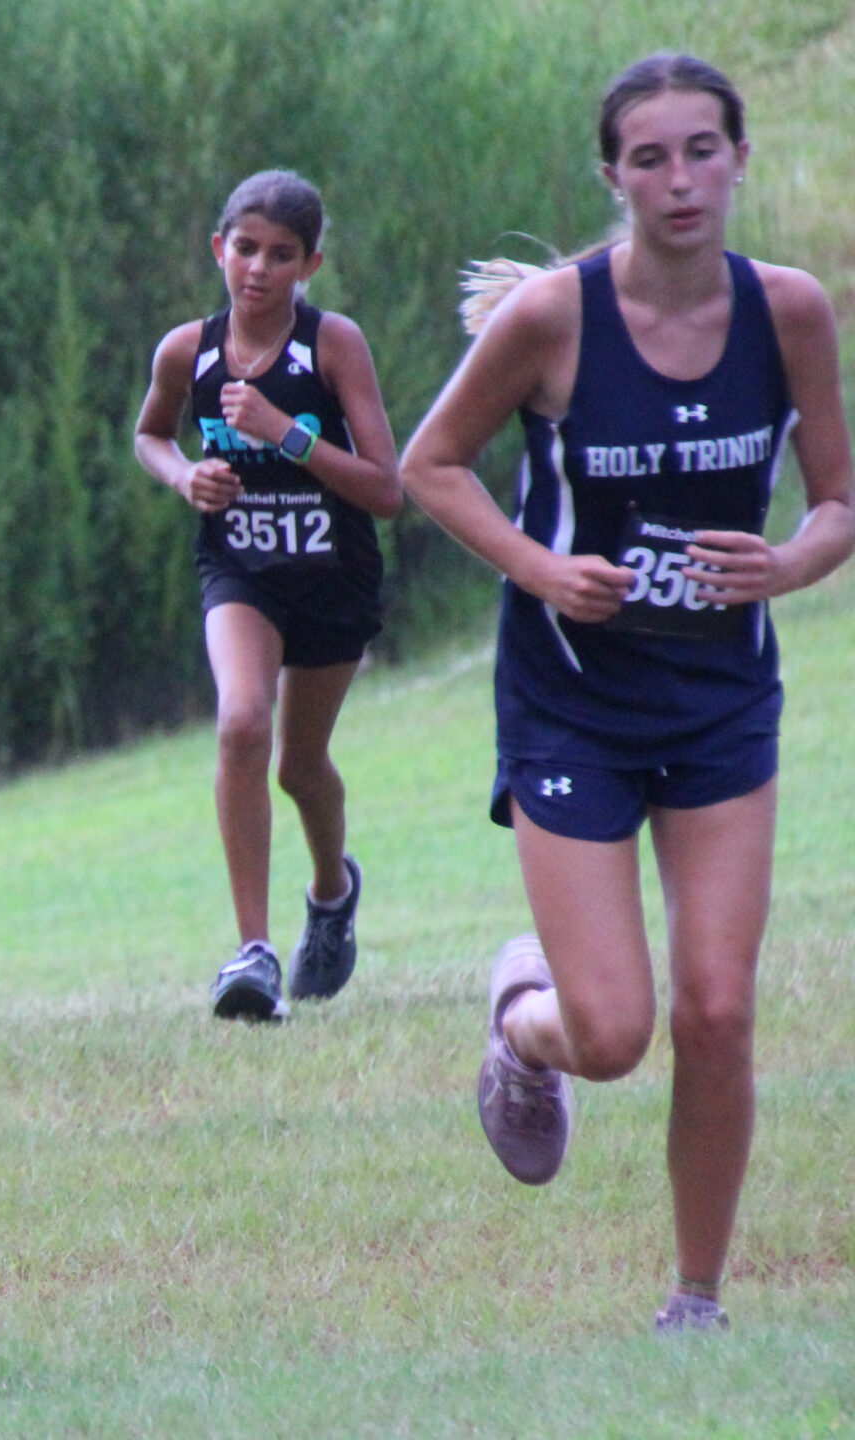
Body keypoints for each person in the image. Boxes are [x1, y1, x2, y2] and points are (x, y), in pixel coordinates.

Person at [399, 54, 853, 1332]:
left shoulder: (790, 311)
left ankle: (695, 1304)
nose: (680, 180)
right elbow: (431, 466)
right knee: (610, 1035)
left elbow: (836, 503)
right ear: (613, 176)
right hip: (572, 706)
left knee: (718, 1010)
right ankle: (521, 1023)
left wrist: (786, 563)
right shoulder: (554, 318)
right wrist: (543, 570)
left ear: (739, 159)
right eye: (649, 158)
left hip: (719, 705)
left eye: (702, 150)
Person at [133, 171, 405, 1021]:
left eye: (281, 254)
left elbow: (387, 489)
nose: (258, 268)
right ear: (219, 248)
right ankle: (252, 955)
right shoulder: (187, 351)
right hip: (241, 571)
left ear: (310, 264)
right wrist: (185, 476)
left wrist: (287, 436)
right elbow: (150, 435)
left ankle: (331, 892)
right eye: (245, 248)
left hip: (333, 578)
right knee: (242, 722)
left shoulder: (333, 346)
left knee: (299, 765)